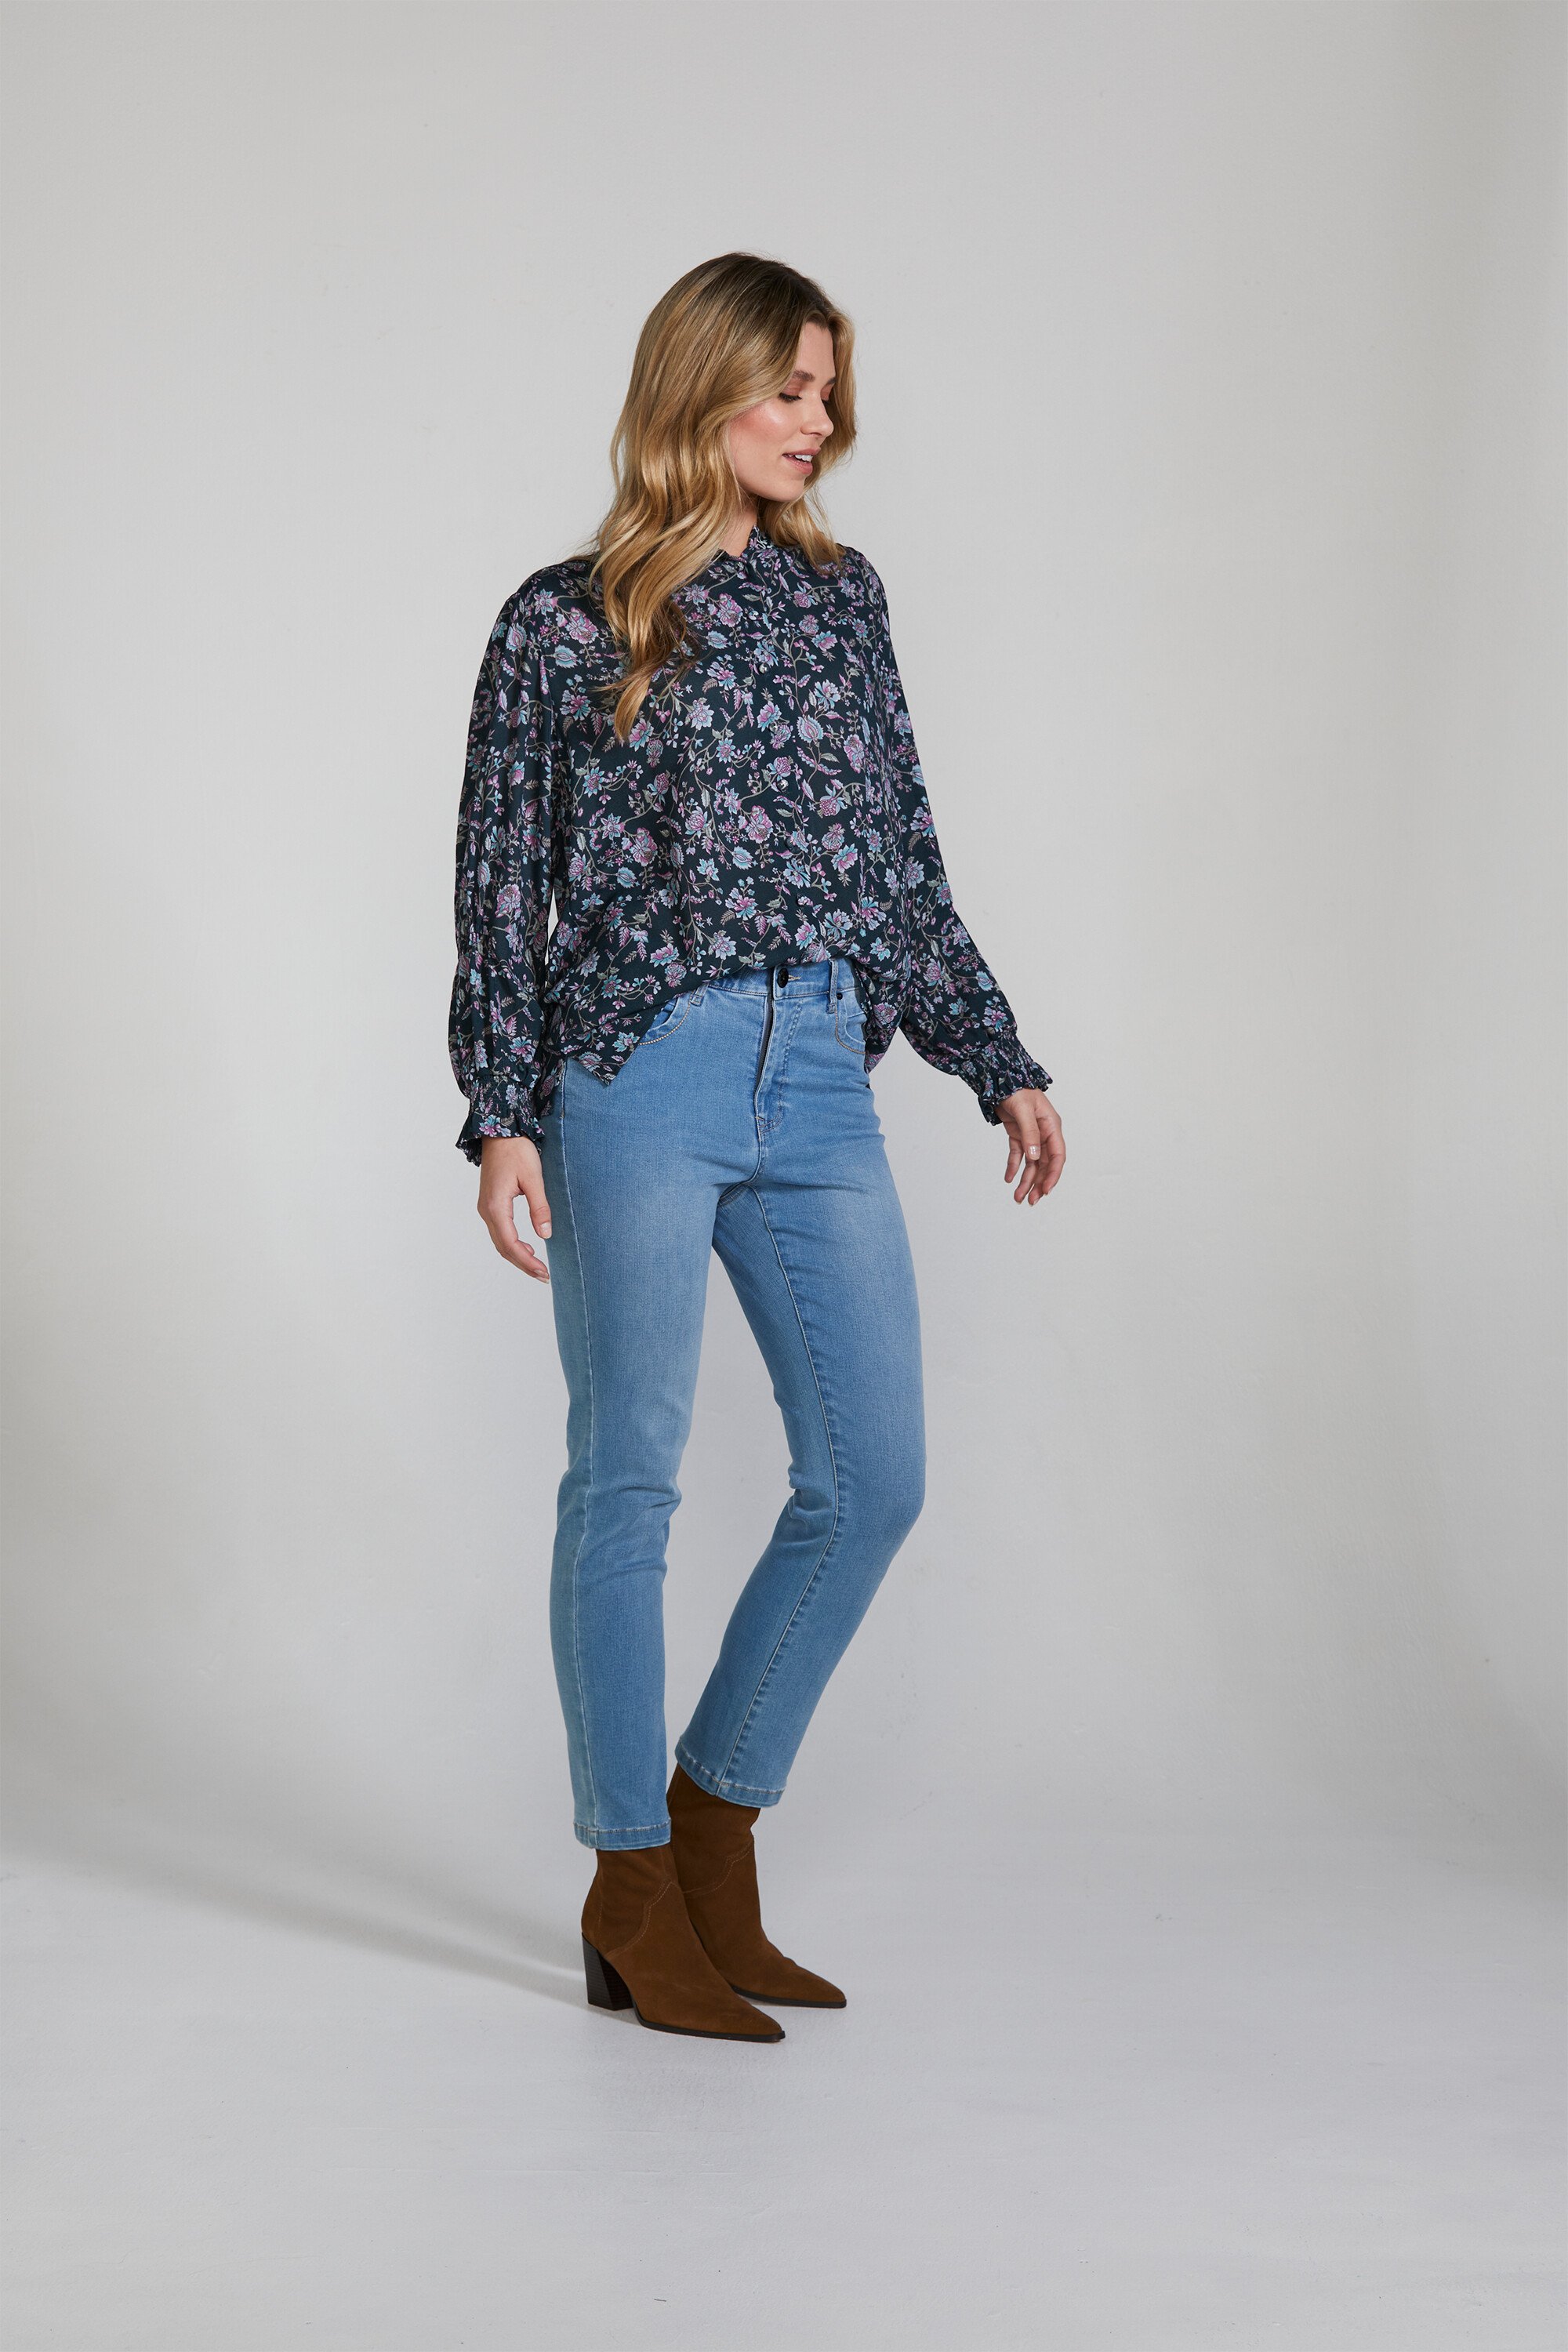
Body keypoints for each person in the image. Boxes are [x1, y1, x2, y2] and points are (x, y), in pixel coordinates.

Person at [449, 252, 1065, 2043]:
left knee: (872, 1479)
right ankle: (629, 1882)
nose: (820, 420)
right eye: (790, 387)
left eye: (828, 390)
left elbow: (899, 858)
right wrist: (501, 1109)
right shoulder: (564, 622)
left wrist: (993, 1057)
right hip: (635, 1072)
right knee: (627, 1477)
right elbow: (500, 886)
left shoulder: (841, 604)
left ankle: (714, 1836)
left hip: (819, 1076)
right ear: (699, 384)